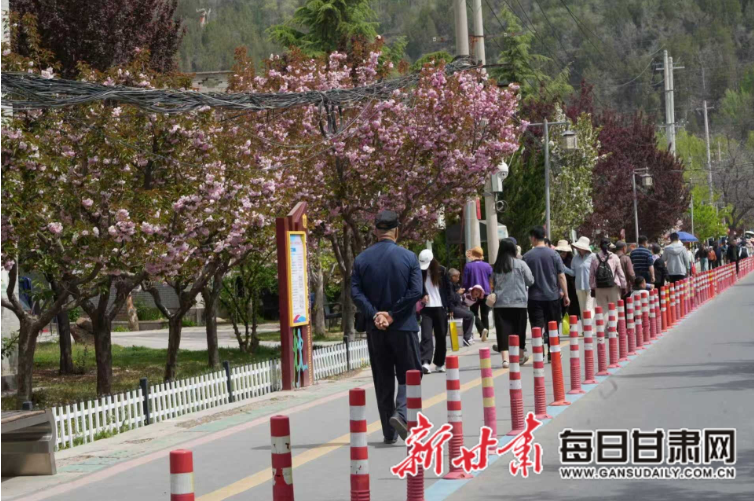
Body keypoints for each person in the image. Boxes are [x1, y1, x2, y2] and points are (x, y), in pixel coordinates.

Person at [351, 210, 422, 444]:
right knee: (410, 374)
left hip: (376, 329)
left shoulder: (361, 259)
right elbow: (415, 291)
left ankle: (388, 433)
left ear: (375, 231)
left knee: (383, 379)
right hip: (404, 327)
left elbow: (356, 293)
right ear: (397, 231)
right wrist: (392, 315)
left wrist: (375, 315)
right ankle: (401, 413)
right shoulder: (409, 257)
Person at [523, 226, 570, 354]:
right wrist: (566, 295)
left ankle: (540, 354)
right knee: (553, 326)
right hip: (552, 297)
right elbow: (561, 276)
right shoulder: (554, 254)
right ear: (544, 237)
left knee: (537, 327)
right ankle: (553, 352)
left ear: (533, 238)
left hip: (534, 298)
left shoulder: (527, 256)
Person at [490, 238, 534, 368]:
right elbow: (530, 280)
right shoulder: (520, 264)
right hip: (519, 302)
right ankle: (520, 356)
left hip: (500, 303)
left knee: (502, 331)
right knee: (519, 330)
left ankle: (505, 360)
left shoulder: (497, 266)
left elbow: (493, 283)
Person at [417, 250, 452, 374]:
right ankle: (425, 362)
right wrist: (423, 295)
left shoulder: (442, 271)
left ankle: (440, 362)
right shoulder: (419, 272)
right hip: (426, 309)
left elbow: (448, 289)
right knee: (426, 336)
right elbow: (416, 287)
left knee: (441, 336)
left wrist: (450, 307)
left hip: (440, 307)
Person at [462, 247, 493, 341]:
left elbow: (465, 281)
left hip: (473, 292)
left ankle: (481, 329)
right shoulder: (487, 266)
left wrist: (464, 291)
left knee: (473, 313)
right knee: (485, 314)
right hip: (485, 292)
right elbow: (491, 279)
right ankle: (485, 334)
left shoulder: (468, 266)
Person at [590, 237, 627, 314]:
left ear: (600, 246)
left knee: (603, 310)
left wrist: (592, 288)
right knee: (615, 309)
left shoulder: (594, 258)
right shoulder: (614, 257)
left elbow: (591, 275)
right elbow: (621, 274)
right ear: (609, 246)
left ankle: (605, 322)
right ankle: (614, 322)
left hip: (599, 288)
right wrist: (623, 287)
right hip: (613, 287)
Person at [447, 268, 475, 347]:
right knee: (469, 315)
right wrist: (458, 293)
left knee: (469, 313)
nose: (458, 278)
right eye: (457, 276)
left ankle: (467, 336)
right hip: (452, 308)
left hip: (457, 305)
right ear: (452, 277)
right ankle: (466, 337)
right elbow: (451, 298)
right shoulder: (448, 285)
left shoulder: (454, 284)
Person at [555, 240, 581, 320]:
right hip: (558, 286)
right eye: (561, 251)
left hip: (570, 286)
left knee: (571, 308)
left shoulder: (571, 259)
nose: (563, 253)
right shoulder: (555, 259)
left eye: (565, 251)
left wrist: (565, 269)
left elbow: (573, 273)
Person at [571, 236, 595, 319]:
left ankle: (589, 325)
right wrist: (564, 268)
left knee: (588, 309)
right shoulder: (575, 258)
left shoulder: (593, 257)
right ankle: (585, 327)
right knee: (582, 310)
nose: (578, 248)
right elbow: (573, 273)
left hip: (590, 287)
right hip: (579, 287)